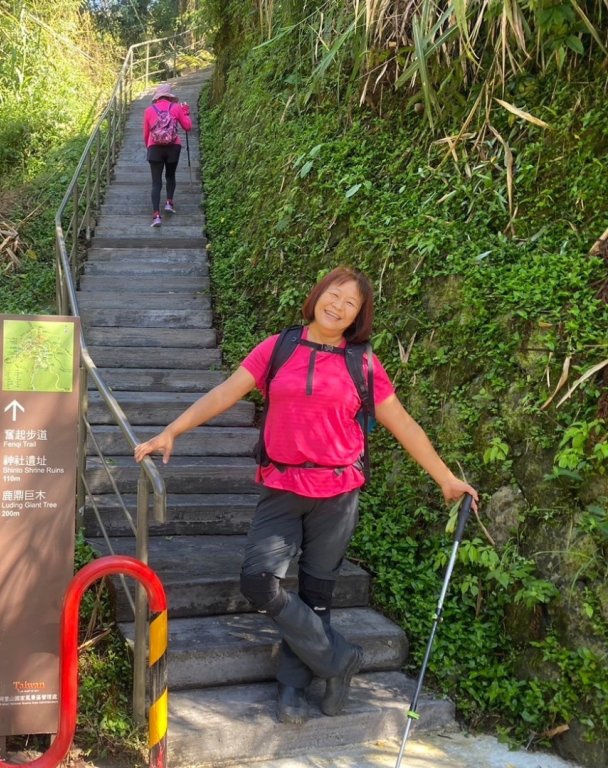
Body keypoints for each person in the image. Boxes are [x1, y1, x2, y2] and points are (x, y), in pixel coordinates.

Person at [134, 266, 479, 724]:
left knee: (317, 594)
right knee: (259, 580)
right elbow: (225, 393)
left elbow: (403, 424)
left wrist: (444, 477)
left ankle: (293, 688)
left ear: (359, 315)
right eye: (333, 295)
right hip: (282, 486)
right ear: (317, 295)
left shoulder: (363, 364)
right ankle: (339, 661)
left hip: (338, 492)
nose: (337, 306)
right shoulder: (279, 347)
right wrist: (172, 430)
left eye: (350, 303)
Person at [143, 83, 192, 228]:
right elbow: (188, 127)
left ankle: (156, 216)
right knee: (170, 176)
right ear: (170, 96)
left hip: (154, 148)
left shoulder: (148, 110)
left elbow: (146, 134)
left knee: (156, 182)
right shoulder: (176, 108)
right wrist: (186, 113)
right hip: (173, 147)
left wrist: (150, 147)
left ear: (157, 97)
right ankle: (169, 203)